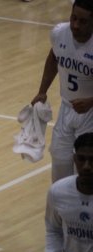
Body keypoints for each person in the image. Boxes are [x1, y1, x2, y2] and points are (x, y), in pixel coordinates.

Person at [31, 0, 93, 182]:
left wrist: (91, 101)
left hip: (91, 113)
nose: (76, 25)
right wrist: (42, 91)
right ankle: (61, 199)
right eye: (73, 18)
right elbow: (54, 57)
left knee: (85, 168)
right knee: (59, 158)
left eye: (83, 21)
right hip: (66, 108)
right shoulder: (59, 33)